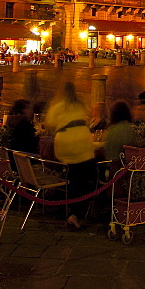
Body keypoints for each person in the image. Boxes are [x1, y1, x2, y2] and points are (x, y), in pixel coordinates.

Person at [45, 82, 96, 229]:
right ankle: (75, 211)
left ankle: (68, 210)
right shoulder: (79, 105)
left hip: (65, 142)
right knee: (87, 176)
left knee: (72, 176)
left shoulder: (57, 106)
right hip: (82, 141)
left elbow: (50, 123)